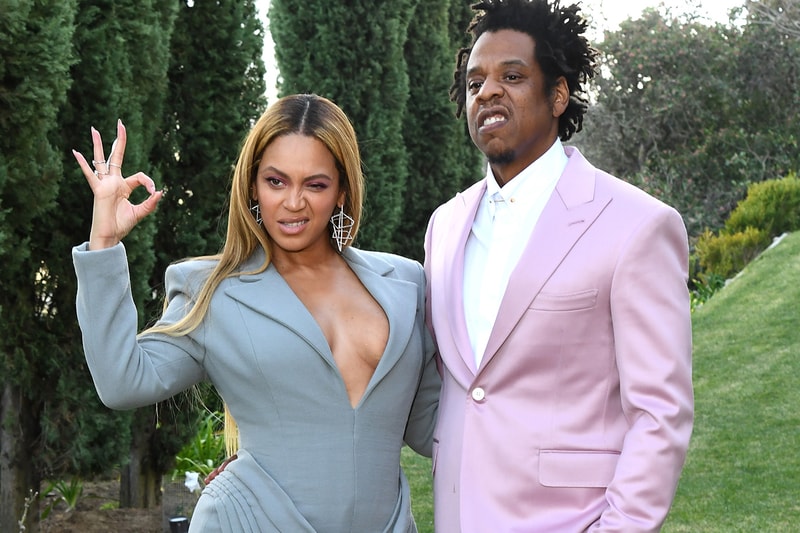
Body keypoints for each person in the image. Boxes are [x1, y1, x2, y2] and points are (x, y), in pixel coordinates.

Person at [71, 94, 440, 532]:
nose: (293, 202)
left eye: (315, 185)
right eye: (276, 181)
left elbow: (432, 428)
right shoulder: (212, 291)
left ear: (342, 190)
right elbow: (122, 381)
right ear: (252, 186)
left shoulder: (406, 284)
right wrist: (104, 242)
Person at [423, 0, 694, 531]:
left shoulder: (637, 225)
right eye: (475, 82)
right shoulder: (444, 226)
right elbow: (450, 386)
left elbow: (660, 413)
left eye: (512, 76)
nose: (488, 92)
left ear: (558, 95)